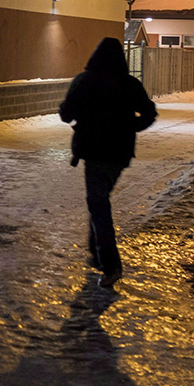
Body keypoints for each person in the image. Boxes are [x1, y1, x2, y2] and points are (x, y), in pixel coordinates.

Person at [59, 37, 157, 289]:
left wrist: (79, 115)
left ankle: (111, 264)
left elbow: (66, 113)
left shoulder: (84, 81)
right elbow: (149, 113)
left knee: (99, 205)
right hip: (120, 153)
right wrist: (131, 127)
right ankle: (96, 252)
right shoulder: (129, 83)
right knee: (100, 201)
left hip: (94, 152)